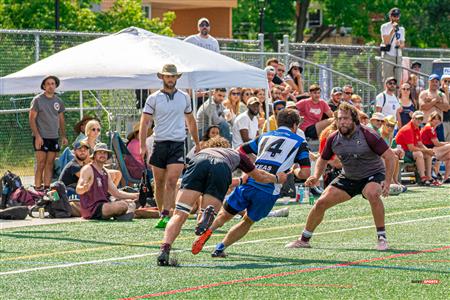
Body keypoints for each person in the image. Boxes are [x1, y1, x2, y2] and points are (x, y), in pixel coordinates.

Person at [191, 109, 311, 258]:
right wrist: (293, 171)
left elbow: (240, 150)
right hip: (269, 189)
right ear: (295, 125)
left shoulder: (265, 136)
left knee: (224, 215)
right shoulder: (300, 142)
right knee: (247, 220)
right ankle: (220, 248)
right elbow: (305, 173)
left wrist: (252, 167)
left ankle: (207, 232)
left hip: (250, 180)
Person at [156, 136, 288, 265]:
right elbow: (259, 177)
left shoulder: (202, 151)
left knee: (179, 213)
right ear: (227, 147)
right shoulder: (236, 154)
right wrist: (277, 179)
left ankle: (165, 248)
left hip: (198, 162)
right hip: (221, 166)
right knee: (209, 211)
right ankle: (207, 216)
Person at [286, 102, 396, 251]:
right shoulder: (333, 138)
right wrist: (315, 176)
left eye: (346, 118)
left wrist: (387, 182)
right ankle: (304, 239)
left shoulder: (368, 134)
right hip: (349, 177)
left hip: (372, 175)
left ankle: (382, 238)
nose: (342, 122)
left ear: (354, 120)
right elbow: (322, 159)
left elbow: (391, 157)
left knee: (372, 194)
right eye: (339, 119)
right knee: (321, 203)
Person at [139, 64, 200, 228]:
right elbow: (144, 122)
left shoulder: (184, 97)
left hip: (178, 143)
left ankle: (167, 213)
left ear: (177, 78)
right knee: (158, 182)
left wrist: (197, 142)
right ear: (162, 78)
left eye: (173, 76)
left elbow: (191, 120)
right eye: (167, 76)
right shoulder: (153, 98)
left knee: (172, 180)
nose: (170, 79)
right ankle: (162, 214)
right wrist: (142, 145)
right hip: (159, 142)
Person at [76, 143, 139, 220]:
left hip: (104, 206)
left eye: (105, 153)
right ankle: (124, 214)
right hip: (92, 209)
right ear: (94, 155)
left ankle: (123, 214)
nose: (102, 155)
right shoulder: (88, 169)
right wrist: (84, 188)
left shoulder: (105, 172)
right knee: (123, 205)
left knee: (131, 203)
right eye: (100, 152)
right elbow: (78, 189)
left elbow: (116, 193)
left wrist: (136, 195)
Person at [29, 75, 68, 190]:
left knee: (50, 164)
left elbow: (61, 119)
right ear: (44, 86)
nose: (51, 86)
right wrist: (37, 136)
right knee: (41, 163)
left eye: (53, 84)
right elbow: (31, 119)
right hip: (41, 137)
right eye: (48, 84)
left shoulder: (58, 101)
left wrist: (63, 136)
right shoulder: (37, 100)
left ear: (55, 86)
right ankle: (37, 189)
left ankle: (47, 188)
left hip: (53, 137)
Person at [395, 111, 434, 186]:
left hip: (407, 151)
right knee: (418, 154)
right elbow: (411, 148)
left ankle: (429, 177)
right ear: (412, 118)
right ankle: (423, 178)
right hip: (401, 152)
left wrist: (428, 151)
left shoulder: (416, 128)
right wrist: (427, 150)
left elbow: (420, 144)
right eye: (417, 118)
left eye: (421, 118)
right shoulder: (408, 129)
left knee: (428, 155)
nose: (419, 120)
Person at [420, 112, 450, 183]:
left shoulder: (431, 128)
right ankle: (435, 166)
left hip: (431, 149)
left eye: (438, 119)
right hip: (427, 150)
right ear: (430, 119)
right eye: (434, 119)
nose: (436, 121)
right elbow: (437, 143)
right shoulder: (429, 128)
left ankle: (446, 177)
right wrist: (447, 143)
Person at [419, 74, 449, 142]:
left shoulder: (442, 94)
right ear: (429, 82)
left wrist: (431, 102)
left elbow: (446, 108)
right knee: (425, 146)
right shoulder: (424, 93)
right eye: (432, 81)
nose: (434, 83)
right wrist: (436, 100)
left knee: (441, 148)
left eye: (436, 82)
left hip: (439, 126)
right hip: (426, 125)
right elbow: (423, 107)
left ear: (439, 83)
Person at [380, 7, 405, 82]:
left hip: (398, 56)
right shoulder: (384, 26)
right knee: (387, 79)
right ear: (390, 16)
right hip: (388, 55)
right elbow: (386, 41)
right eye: (394, 16)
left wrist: (399, 45)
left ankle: (396, 93)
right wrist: (392, 31)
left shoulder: (401, 29)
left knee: (398, 80)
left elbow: (403, 44)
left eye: (397, 16)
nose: (395, 18)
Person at [380, 115, 405, 187]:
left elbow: (388, 148)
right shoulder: (380, 133)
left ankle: (395, 180)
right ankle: (390, 181)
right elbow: (381, 149)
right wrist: (394, 150)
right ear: (384, 124)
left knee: (395, 157)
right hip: (377, 155)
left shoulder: (390, 135)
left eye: (392, 126)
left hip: (384, 154)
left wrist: (398, 151)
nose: (390, 128)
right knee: (391, 158)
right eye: (388, 125)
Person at [440, 74, 450, 142]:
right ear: (441, 81)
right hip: (443, 120)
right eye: (445, 81)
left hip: (449, 119)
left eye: (449, 82)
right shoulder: (438, 92)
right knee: (444, 140)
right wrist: (446, 92)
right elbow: (446, 106)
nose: (447, 83)